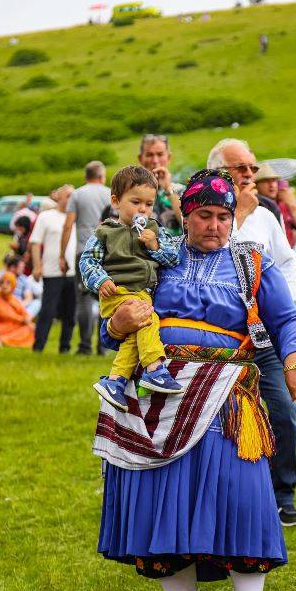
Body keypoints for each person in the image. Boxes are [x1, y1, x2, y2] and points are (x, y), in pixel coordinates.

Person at [95, 169, 296, 591]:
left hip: (228, 398)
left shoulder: (251, 264)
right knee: (161, 500)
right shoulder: (157, 259)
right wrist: (117, 320)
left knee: (243, 499)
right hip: (159, 395)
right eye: (203, 216)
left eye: (223, 216)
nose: (214, 226)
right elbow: (111, 332)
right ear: (185, 214)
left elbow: (286, 321)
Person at [207, 138, 296, 526]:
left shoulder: (265, 212)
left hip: (265, 337)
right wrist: (240, 216)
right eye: (241, 169)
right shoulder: (204, 211)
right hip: (221, 340)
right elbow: (211, 260)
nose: (251, 175)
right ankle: (228, 496)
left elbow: (285, 261)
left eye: (252, 167)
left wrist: (289, 313)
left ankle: (282, 494)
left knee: (284, 414)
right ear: (219, 173)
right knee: (219, 421)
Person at [79, 166, 183, 411]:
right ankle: (155, 368)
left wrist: (154, 245)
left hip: (142, 292)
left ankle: (115, 381)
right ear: (116, 201)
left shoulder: (155, 230)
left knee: (134, 337)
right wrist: (100, 280)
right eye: (135, 202)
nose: (142, 210)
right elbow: (87, 261)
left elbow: (173, 259)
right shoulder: (105, 232)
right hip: (117, 293)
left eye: (148, 204)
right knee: (148, 319)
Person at [60, 161, 111, 355]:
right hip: (107, 252)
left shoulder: (78, 194)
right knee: (105, 299)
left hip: (84, 251)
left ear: (86, 176)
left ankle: (85, 346)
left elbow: (68, 225)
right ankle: (103, 347)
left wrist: (62, 253)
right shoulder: (109, 194)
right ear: (101, 176)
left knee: (83, 300)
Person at [30, 184, 77, 353]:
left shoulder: (76, 218)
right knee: (48, 311)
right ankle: (39, 346)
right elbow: (35, 243)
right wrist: (37, 266)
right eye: (68, 196)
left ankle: (65, 347)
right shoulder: (46, 216)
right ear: (59, 197)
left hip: (73, 272)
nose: (71, 199)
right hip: (52, 271)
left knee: (70, 313)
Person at [138, 134, 184, 235]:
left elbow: (187, 223)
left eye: (160, 154)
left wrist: (168, 189)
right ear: (140, 159)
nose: (155, 161)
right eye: (149, 155)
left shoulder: (182, 191)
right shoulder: (132, 192)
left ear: (169, 157)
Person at [0, 272, 35, 348]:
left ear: (13, 285)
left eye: (8, 283)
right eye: (2, 282)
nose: (4, 285)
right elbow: (8, 315)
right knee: (27, 329)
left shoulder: (13, 299)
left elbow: (22, 311)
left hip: (13, 324)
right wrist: (24, 321)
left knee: (29, 329)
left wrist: (28, 319)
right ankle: (1, 340)